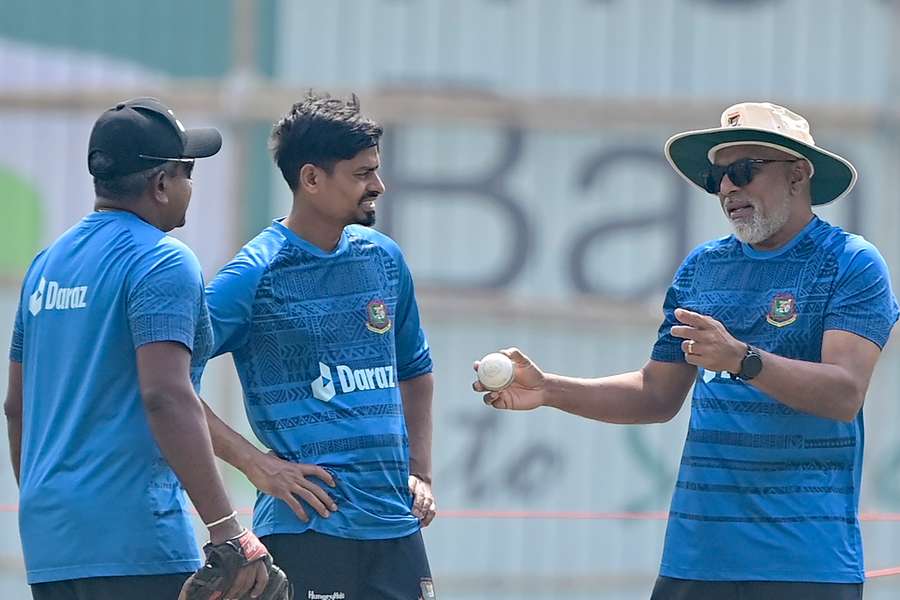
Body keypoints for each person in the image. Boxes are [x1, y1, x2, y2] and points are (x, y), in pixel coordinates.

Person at [473, 102, 898, 600]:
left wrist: (743, 360)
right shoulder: (703, 267)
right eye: (718, 177)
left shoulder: (851, 262)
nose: (726, 189)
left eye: (743, 171)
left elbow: (844, 394)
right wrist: (548, 390)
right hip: (696, 559)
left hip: (805, 563)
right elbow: (656, 395)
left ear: (797, 174)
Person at [5, 97, 271, 600]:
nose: (191, 186)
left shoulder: (46, 265)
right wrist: (227, 529)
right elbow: (165, 397)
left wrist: (56, 514)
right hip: (135, 541)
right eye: (187, 171)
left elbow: (15, 408)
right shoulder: (161, 259)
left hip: (51, 544)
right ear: (161, 183)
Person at [201, 92, 437, 600]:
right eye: (361, 173)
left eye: (376, 170)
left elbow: (416, 369)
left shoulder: (384, 259)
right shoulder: (254, 274)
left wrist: (420, 471)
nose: (378, 185)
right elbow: (165, 384)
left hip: (395, 526)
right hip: (308, 530)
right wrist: (255, 464)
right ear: (311, 179)